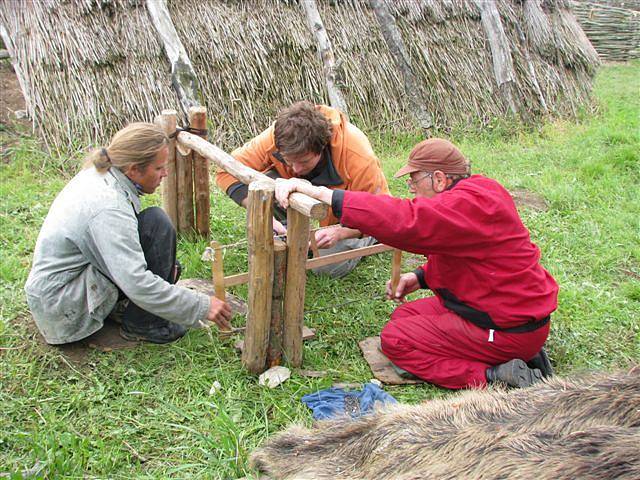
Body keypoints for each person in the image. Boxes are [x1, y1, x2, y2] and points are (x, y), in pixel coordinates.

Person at [274, 138, 559, 389]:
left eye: (414, 179)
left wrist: (326, 195)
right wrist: (420, 277)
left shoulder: (467, 205)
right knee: (404, 318)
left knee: (397, 340)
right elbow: (463, 255)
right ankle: (514, 353)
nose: (410, 187)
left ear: (438, 178)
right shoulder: (481, 192)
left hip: (508, 326)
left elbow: (407, 221)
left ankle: (494, 374)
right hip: (503, 312)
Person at [25, 123, 231, 345]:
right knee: (157, 226)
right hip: (62, 305)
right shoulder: (108, 207)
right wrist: (201, 305)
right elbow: (136, 282)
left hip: (67, 287)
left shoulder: (104, 174)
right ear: (134, 169)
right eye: (159, 168)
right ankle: (144, 325)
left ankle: (128, 310)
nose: (165, 173)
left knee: (157, 231)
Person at [216, 101, 389, 278]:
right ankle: (286, 231)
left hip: (352, 211)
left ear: (321, 147)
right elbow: (227, 171)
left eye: (304, 162)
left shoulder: (357, 157)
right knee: (264, 184)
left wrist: (341, 232)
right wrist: (264, 214)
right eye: (288, 161)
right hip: (299, 193)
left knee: (324, 268)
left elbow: (379, 212)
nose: (296, 170)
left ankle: (367, 239)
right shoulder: (277, 137)